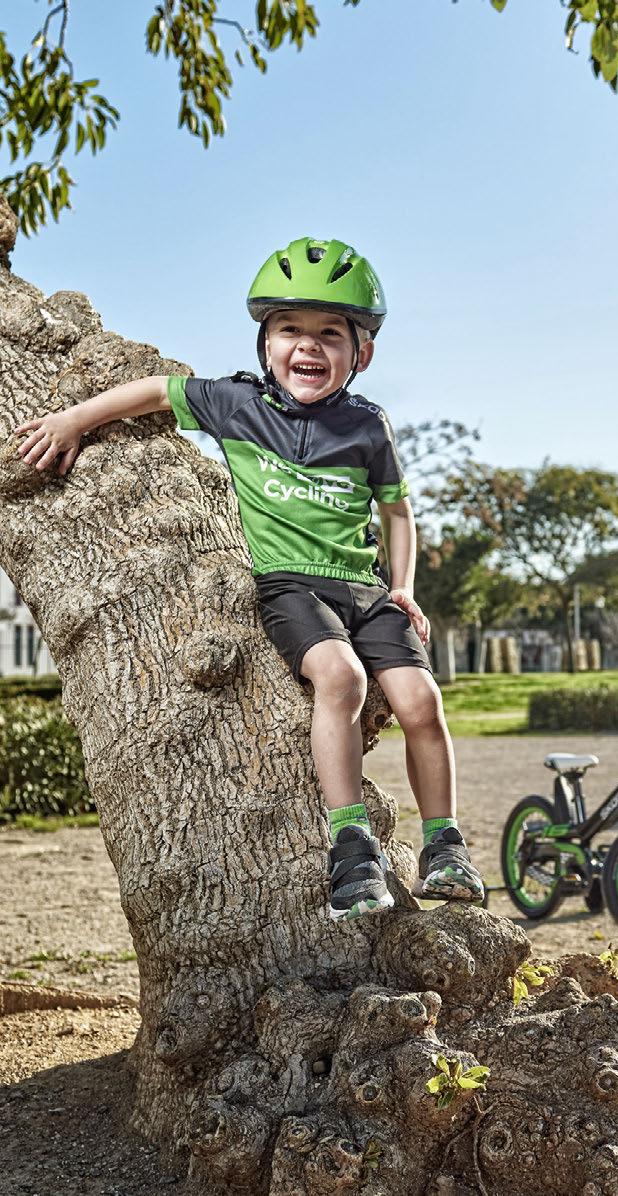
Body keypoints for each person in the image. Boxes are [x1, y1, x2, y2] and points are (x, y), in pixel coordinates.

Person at [15, 236, 485, 921]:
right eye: (289, 329)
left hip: (366, 590)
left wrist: (405, 587)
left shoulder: (366, 425)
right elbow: (153, 390)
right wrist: (71, 420)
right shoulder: (238, 405)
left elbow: (398, 512)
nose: (308, 346)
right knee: (342, 680)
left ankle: (445, 846)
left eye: (330, 333)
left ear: (363, 353)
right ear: (265, 342)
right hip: (292, 587)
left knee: (420, 703)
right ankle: (350, 844)